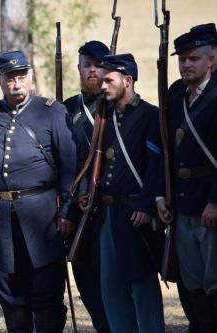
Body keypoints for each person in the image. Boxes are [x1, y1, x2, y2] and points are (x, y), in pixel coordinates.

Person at [0, 50, 77, 332]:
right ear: (0, 81)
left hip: (42, 220)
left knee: (46, 297)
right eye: (10, 79)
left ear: (30, 78)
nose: (16, 84)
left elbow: (70, 168)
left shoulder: (52, 111)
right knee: (11, 298)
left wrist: (67, 213)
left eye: (21, 77)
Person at [95, 54, 165, 332]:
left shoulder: (150, 115)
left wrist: (146, 205)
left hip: (135, 213)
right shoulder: (104, 116)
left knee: (143, 285)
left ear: (128, 80)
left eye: (109, 80)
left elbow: (156, 165)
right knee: (110, 288)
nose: (103, 86)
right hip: (107, 213)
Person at [157, 30, 217, 333]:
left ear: (212, 59)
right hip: (182, 202)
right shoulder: (175, 93)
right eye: (182, 59)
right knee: (191, 282)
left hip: (210, 203)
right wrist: (160, 195)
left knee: (213, 281)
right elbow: (164, 149)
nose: (186, 65)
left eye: (193, 58)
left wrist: (215, 202)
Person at [63, 40, 111, 333]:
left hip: (111, 209)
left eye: (97, 65)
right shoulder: (66, 109)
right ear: (79, 68)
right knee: (88, 284)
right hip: (79, 212)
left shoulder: (117, 106)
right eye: (86, 65)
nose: (92, 70)